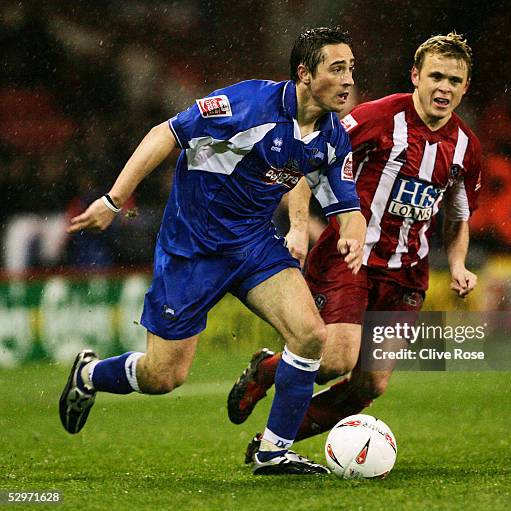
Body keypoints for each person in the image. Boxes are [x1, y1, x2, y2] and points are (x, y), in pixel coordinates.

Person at [59, 27, 367, 476]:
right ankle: (88, 375)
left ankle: (273, 451)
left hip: (254, 243)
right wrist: (113, 199)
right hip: (193, 249)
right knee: (163, 377)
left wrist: (352, 233)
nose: (347, 80)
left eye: (351, 70)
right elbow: (166, 133)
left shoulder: (333, 137)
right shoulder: (248, 105)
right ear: (304, 73)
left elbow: (347, 204)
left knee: (310, 335)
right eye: (337, 69)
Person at [228, 32, 482, 453]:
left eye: (455, 81)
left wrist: (457, 264)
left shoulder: (467, 148)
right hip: (350, 259)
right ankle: (268, 374)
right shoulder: (377, 118)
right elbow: (307, 158)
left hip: (406, 275)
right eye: (436, 76)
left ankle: (272, 438)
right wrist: (297, 226)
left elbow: (457, 215)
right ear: (415, 76)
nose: (444, 88)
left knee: (371, 382)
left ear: (465, 87)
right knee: (334, 361)